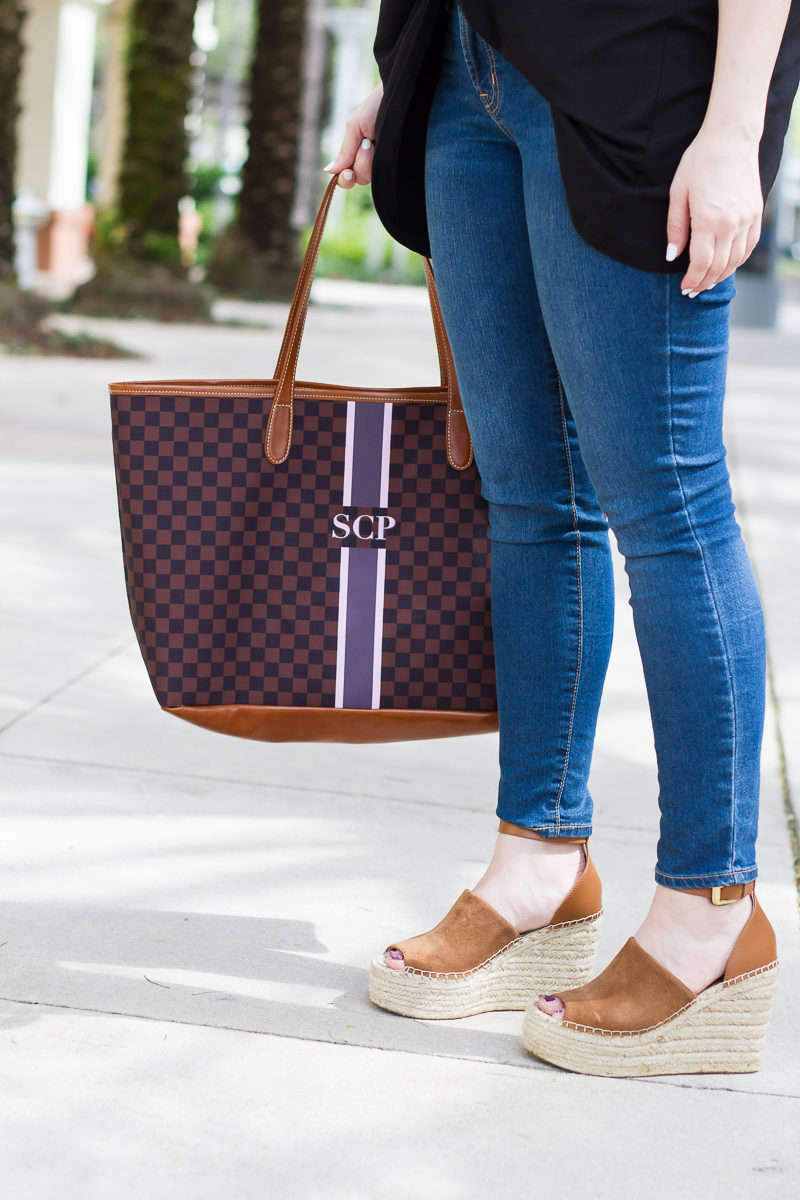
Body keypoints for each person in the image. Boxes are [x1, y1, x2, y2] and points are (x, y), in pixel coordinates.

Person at [324, 0, 800, 1077]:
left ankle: (709, 911)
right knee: (529, 499)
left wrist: (731, 128)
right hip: (462, 67)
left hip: (636, 75)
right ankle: (536, 865)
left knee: (668, 506)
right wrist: (407, 75)